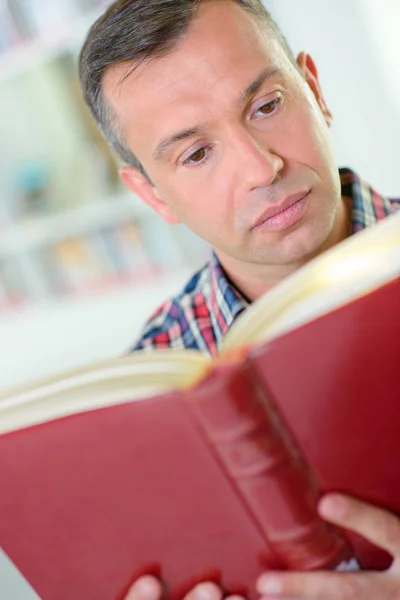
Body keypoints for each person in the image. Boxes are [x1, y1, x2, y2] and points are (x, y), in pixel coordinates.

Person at [79, 0, 400, 598]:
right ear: (153, 197)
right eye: (196, 154)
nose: (262, 167)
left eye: (267, 106)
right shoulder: (146, 396)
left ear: (315, 90)